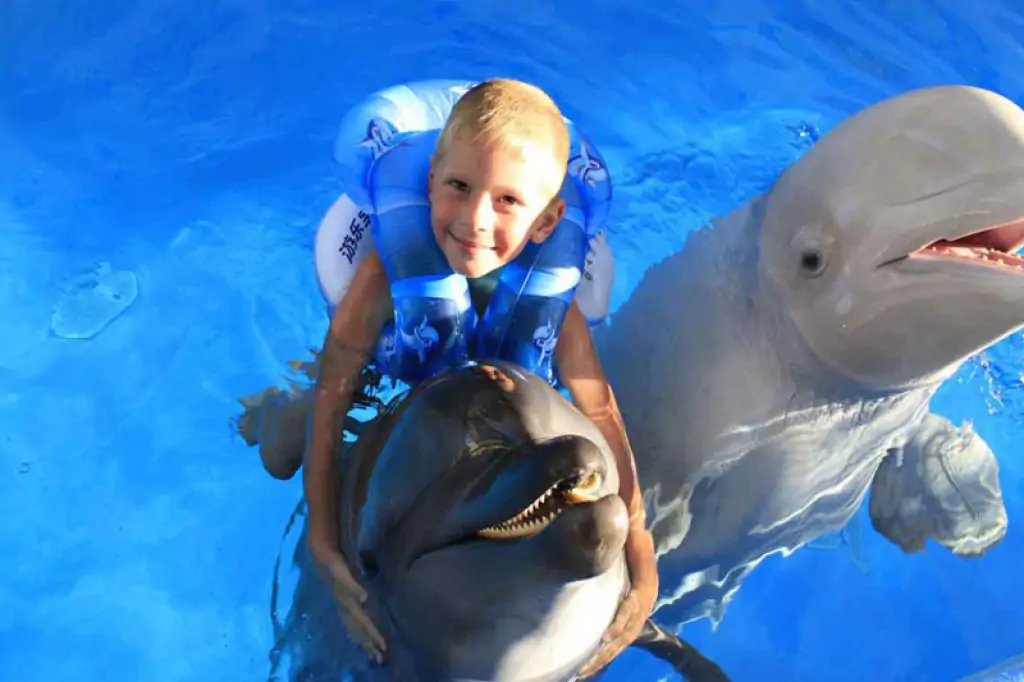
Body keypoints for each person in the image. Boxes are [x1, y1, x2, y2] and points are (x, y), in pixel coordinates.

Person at [265, 78, 656, 677]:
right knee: (279, 448)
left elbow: (598, 409)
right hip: (385, 370)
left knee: (568, 459)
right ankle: (270, 405)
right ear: (429, 187)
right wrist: (325, 540)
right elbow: (337, 383)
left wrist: (640, 543)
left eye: (506, 201)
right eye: (459, 187)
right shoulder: (384, 273)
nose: (475, 220)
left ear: (549, 221)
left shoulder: (550, 290)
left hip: (500, 413)